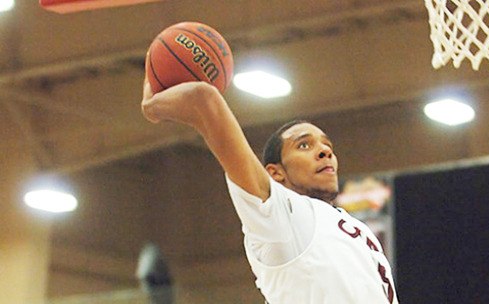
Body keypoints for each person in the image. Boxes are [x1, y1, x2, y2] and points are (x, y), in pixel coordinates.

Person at [141, 74, 398, 303]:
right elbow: (206, 101)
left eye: (326, 144)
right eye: (304, 145)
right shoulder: (281, 217)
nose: (325, 151)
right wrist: (155, 107)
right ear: (275, 173)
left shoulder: (357, 229)